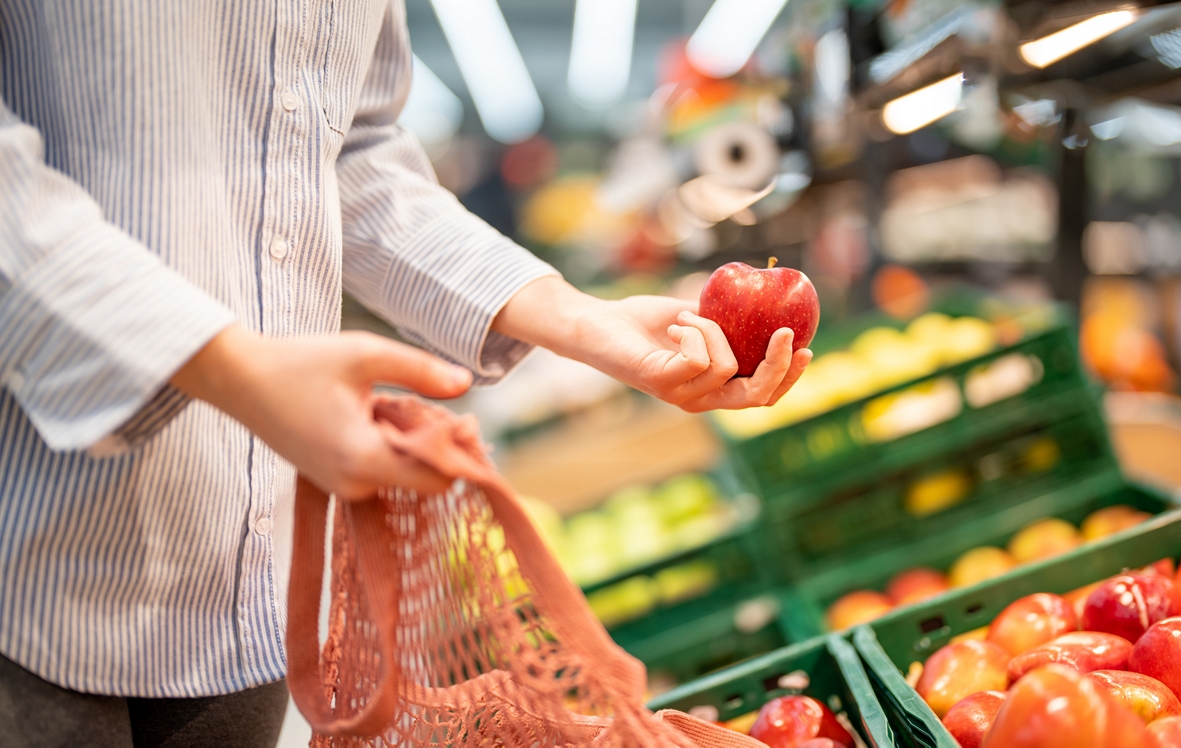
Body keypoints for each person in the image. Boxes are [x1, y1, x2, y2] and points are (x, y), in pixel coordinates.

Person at [0, 2, 811, 746]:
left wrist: (580, 320)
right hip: (33, 551)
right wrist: (231, 367)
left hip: (251, 572)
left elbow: (350, 153)